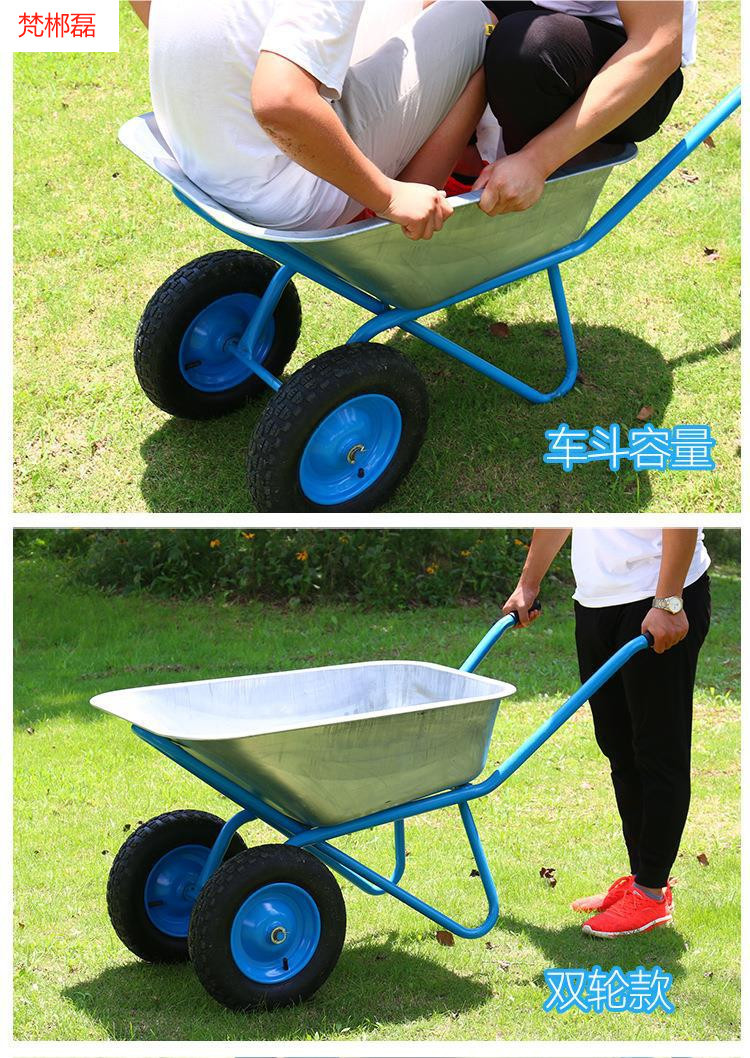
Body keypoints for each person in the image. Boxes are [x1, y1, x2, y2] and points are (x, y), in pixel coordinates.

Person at [502, 527, 711, 938]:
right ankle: (642, 880)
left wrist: (668, 601)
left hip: (657, 596)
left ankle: (651, 892)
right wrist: (528, 583)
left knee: (658, 750)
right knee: (620, 748)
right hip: (596, 602)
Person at [136, 0, 490, 240]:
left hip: (196, 152)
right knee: (475, 16)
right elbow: (279, 100)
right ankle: (406, 225)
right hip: (286, 189)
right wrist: (389, 198)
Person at [474, 1, 697, 214]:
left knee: (525, 48)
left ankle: (521, 200)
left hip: (637, 65)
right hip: (539, 21)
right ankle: (470, 173)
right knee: (469, 19)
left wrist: (536, 160)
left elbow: (658, 47)